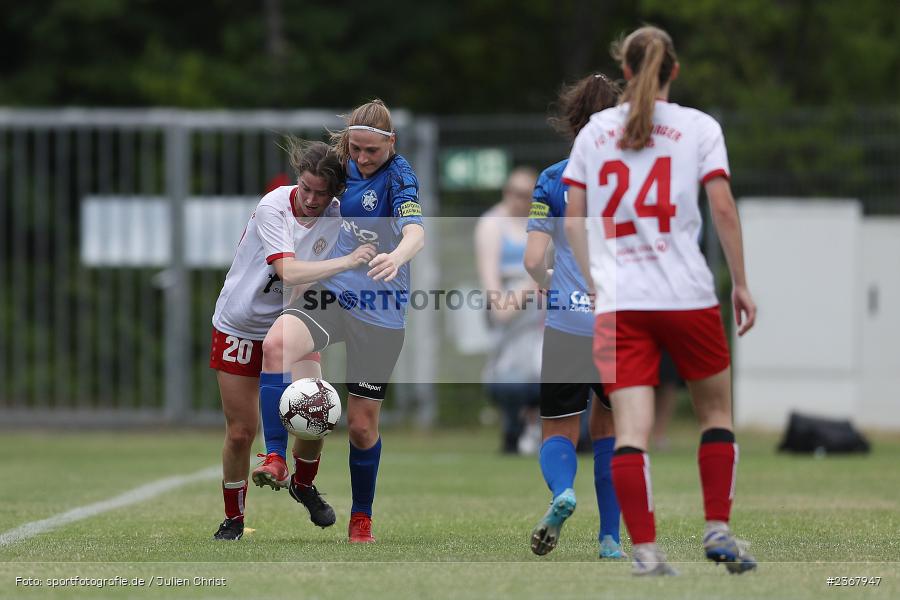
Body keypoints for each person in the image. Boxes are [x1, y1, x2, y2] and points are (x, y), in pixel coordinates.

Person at [563, 26, 758, 576]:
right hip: (687, 295)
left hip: (621, 300)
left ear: (624, 70)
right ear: (673, 70)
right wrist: (740, 283)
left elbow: (573, 218)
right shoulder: (699, 127)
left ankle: (646, 552)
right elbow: (721, 209)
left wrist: (594, 276)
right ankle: (717, 527)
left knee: (630, 431)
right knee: (716, 414)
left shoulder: (595, 133)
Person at [260, 99, 425, 543]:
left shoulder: (399, 177)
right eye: (356, 149)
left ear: (391, 144)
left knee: (360, 424)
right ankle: (275, 457)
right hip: (333, 291)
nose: (362, 159)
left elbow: (416, 230)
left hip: (381, 310)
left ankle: (362, 517)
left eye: (372, 150)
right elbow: (308, 192)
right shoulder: (342, 164)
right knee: (276, 345)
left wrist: (398, 255)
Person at [210, 140, 377, 541]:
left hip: (292, 323)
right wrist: (349, 261)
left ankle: (301, 483)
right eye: (306, 188)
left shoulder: (338, 217)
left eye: (322, 192)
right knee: (239, 433)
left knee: (315, 413)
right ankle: (233, 517)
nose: (311, 199)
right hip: (239, 325)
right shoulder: (274, 206)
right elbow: (287, 271)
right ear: (296, 180)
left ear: (334, 192)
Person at [523, 72, 625, 559]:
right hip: (617, 321)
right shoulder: (633, 174)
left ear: (572, 118)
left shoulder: (553, 177)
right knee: (610, 430)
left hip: (566, 322)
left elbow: (531, 259)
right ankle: (609, 540)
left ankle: (563, 491)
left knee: (558, 429)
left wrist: (552, 288)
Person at [474, 167, 543, 454]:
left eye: (528, 195)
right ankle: (517, 427)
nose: (521, 201)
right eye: (515, 193)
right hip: (512, 317)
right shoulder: (492, 224)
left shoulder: (542, 224)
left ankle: (540, 425)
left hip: (542, 315)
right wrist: (531, 282)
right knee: (512, 377)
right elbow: (499, 306)